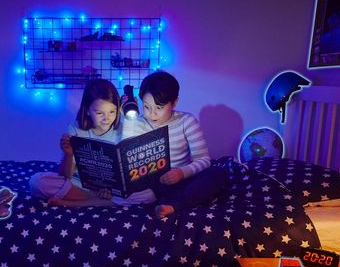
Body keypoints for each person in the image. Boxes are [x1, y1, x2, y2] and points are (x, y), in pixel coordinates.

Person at [29, 78, 156, 207]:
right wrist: (68, 154)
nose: (107, 118)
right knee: (37, 182)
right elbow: (66, 175)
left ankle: (75, 202)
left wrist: (112, 189)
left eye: (112, 112)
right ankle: (96, 200)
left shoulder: (124, 129)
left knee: (148, 194)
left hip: (113, 190)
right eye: (99, 113)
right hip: (81, 185)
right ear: (88, 111)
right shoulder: (76, 129)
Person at [121, 71, 228, 218]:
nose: (152, 114)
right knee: (135, 194)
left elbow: (204, 160)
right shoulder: (135, 123)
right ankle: (184, 201)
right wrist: (128, 125)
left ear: (174, 103)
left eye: (159, 108)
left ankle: (172, 205)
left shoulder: (187, 121)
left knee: (218, 173)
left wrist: (181, 173)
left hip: (181, 180)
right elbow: (127, 164)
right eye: (146, 106)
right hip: (150, 185)